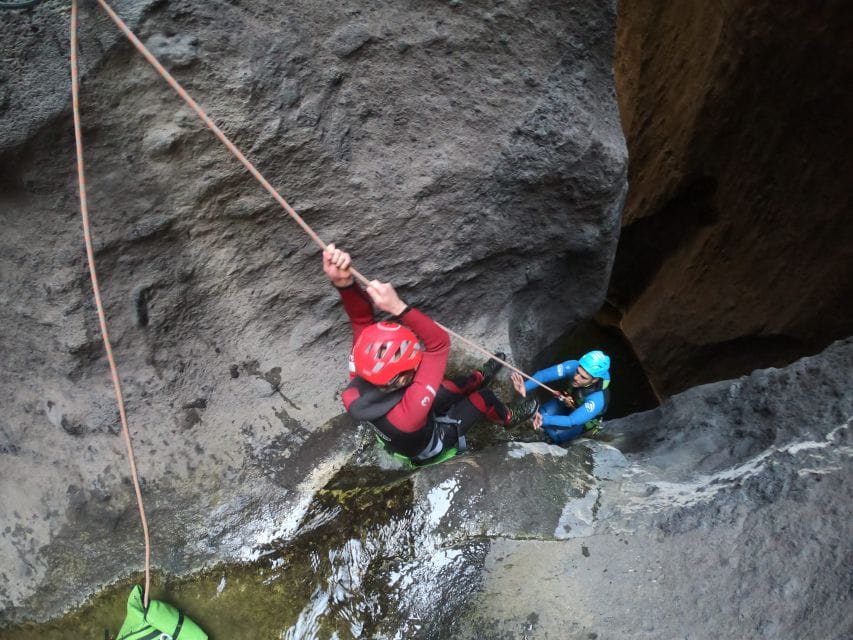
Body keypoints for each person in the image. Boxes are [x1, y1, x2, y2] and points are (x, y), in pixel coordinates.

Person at [324, 244, 538, 465]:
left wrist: (345, 284)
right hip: (431, 441)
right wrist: (398, 307)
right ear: (403, 379)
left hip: (399, 421)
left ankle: (479, 378)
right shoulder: (410, 412)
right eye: (414, 364)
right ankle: (508, 418)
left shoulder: (359, 374)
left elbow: (361, 320)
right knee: (484, 399)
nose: (419, 365)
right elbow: (438, 344)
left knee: (455, 386)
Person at [511, 350, 611, 444]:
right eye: (577, 372)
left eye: (583, 377)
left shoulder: (597, 399)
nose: (576, 377)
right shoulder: (573, 365)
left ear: (595, 380)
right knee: (541, 412)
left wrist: (544, 420)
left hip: (582, 419)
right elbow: (543, 375)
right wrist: (525, 386)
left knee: (554, 434)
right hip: (568, 400)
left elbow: (571, 421)